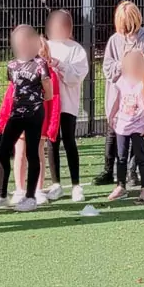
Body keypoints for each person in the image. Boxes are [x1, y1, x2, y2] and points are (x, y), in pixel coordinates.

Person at [0, 25, 52, 212]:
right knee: (4, 149)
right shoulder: (11, 65)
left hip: (35, 114)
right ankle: (1, 194)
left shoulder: (40, 64)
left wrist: (37, 101)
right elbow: (13, 88)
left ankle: (30, 197)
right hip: (16, 113)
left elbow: (48, 90)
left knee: (32, 153)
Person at [94, 1, 144, 188]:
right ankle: (109, 169)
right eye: (124, 23)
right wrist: (123, 66)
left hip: (139, 98)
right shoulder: (115, 40)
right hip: (119, 95)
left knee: (136, 134)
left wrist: (141, 69)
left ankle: (132, 171)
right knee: (113, 131)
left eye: (131, 23)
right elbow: (107, 66)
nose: (128, 28)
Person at [46, 10, 90, 202]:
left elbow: (75, 77)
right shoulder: (45, 46)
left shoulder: (76, 50)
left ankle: (75, 184)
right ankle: (56, 183)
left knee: (69, 140)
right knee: (51, 141)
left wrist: (59, 65)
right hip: (49, 104)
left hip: (68, 104)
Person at [106, 50, 144, 203]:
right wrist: (112, 116)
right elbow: (117, 100)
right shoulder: (122, 81)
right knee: (120, 157)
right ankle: (121, 186)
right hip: (122, 125)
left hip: (139, 127)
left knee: (141, 158)